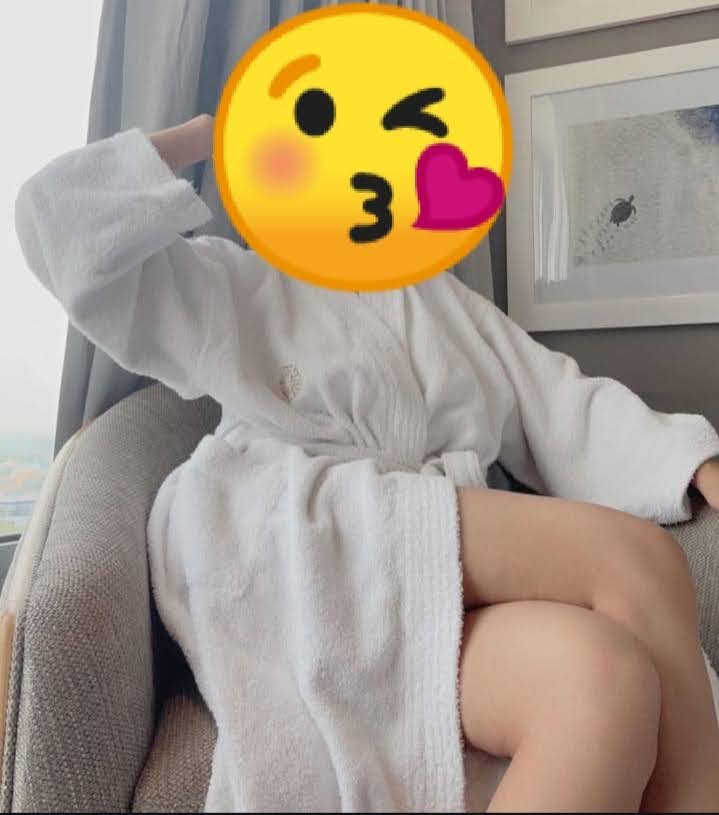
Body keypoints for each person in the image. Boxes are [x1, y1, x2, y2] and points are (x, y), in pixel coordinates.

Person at [15, 114, 719, 812]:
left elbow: (556, 398)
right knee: (636, 558)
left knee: (601, 678)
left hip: (422, 583)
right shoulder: (229, 285)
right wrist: (219, 128)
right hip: (306, 540)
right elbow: (60, 222)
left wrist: (694, 463)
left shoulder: (442, 300)